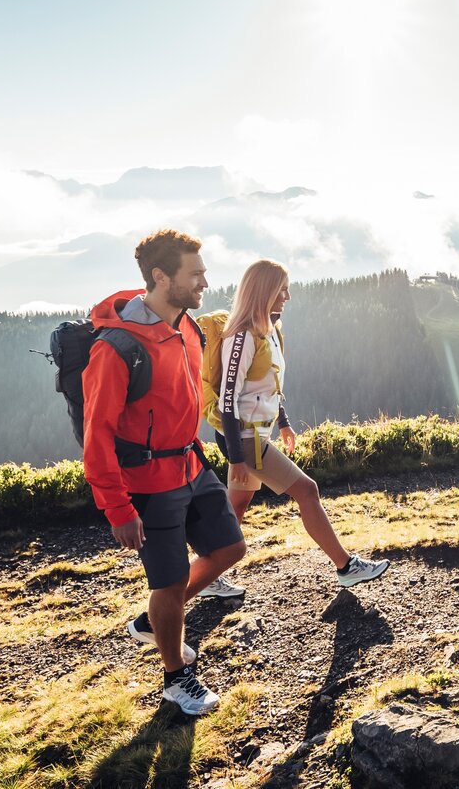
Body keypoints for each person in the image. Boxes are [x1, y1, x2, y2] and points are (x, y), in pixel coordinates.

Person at [82, 229, 246, 715]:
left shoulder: (187, 326)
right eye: (194, 274)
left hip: (192, 464)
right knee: (169, 584)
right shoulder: (115, 349)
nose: (204, 281)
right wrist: (117, 508)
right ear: (160, 277)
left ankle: (156, 620)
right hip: (149, 486)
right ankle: (176, 678)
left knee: (230, 547)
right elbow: (97, 437)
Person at [199, 258, 389, 598]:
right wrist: (238, 455)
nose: (287, 296)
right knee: (307, 490)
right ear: (263, 292)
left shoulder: (270, 332)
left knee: (236, 508)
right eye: (281, 289)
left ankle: (208, 577)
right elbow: (228, 400)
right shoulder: (241, 337)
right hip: (245, 438)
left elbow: (269, 387)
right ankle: (346, 567)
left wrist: (283, 423)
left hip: (257, 435)